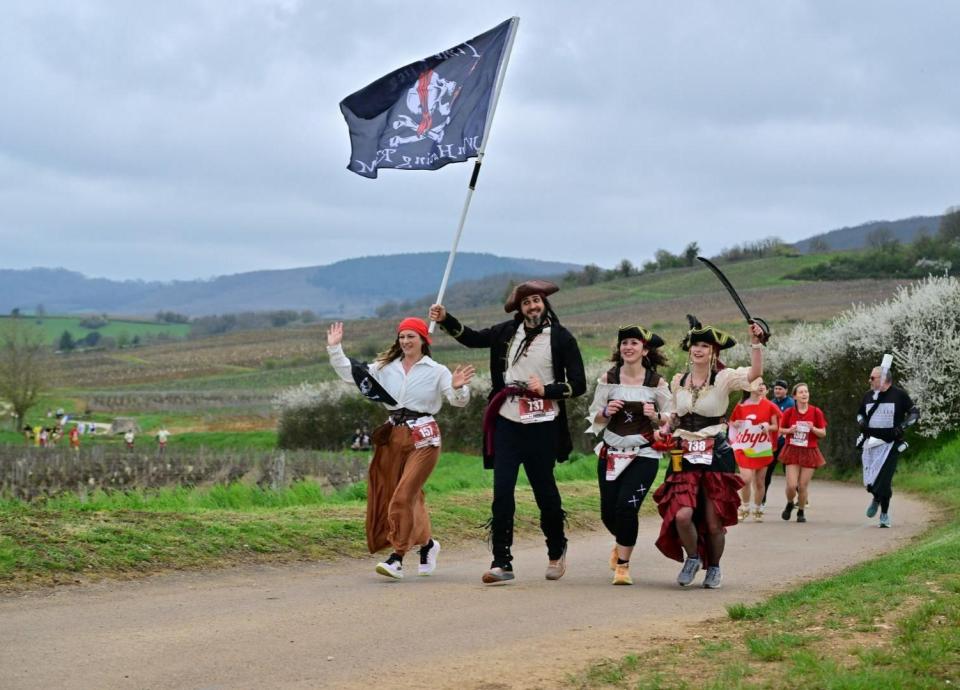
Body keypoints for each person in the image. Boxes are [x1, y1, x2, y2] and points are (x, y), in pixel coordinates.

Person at [429, 279, 586, 584]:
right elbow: (472, 339)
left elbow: (578, 384)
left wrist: (549, 389)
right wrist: (445, 318)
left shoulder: (562, 338)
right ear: (520, 308)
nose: (532, 307)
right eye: (526, 303)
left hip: (543, 424)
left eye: (536, 301)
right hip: (506, 420)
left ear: (545, 303)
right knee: (502, 492)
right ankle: (502, 561)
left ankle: (556, 549)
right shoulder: (505, 333)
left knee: (546, 493)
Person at [327, 317, 474, 579]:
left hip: (424, 438)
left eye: (411, 337)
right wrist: (335, 349)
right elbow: (353, 375)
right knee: (407, 496)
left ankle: (397, 557)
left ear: (423, 340)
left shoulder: (437, 371)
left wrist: (459, 388)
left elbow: (458, 401)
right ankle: (428, 545)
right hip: (393, 435)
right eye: (402, 337)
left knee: (403, 495)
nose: (405, 341)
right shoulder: (386, 368)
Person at [653, 315, 765, 590]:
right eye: (695, 345)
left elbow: (753, 374)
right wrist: (662, 422)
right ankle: (692, 558)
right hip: (684, 451)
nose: (698, 349)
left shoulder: (724, 378)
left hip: (715, 452)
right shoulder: (679, 379)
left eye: (705, 345)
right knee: (682, 514)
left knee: (714, 522)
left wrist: (756, 343)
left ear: (714, 352)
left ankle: (714, 567)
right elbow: (675, 416)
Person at [586, 324, 671, 585]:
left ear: (645, 350)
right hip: (611, 452)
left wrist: (656, 417)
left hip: (644, 454)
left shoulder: (656, 382)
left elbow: (671, 418)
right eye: (624, 343)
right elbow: (594, 415)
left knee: (626, 508)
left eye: (634, 343)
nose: (628, 347)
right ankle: (622, 542)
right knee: (608, 513)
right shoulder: (608, 378)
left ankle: (623, 566)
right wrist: (606, 411)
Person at [858, 366, 919, 528]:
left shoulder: (899, 395)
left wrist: (904, 426)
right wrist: (861, 422)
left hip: (890, 444)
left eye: (872, 378)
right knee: (870, 483)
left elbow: (914, 413)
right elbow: (860, 414)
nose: (869, 381)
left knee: (884, 481)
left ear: (883, 379)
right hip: (871, 444)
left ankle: (884, 514)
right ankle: (876, 497)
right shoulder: (868, 396)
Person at [728, 381, 780, 522]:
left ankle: (757, 508)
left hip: (761, 447)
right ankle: (744, 507)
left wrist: (768, 427)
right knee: (746, 479)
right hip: (743, 447)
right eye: (757, 384)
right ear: (749, 387)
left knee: (759, 481)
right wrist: (735, 423)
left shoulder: (769, 406)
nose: (761, 386)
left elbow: (776, 427)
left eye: (763, 384)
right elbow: (731, 423)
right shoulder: (739, 407)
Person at [778, 383, 827, 523]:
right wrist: (790, 431)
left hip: (809, 450)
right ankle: (789, 503)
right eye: (801, 392)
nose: (804, 394)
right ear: (795, 396)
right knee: (792, 485)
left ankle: (801, 511)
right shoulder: (789, 412)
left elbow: (823, 433)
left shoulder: (816, 411)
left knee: (802, 486)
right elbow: (780, 430)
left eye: (806, 392)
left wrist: (813, 429)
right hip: (792, 449)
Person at [762, 379, 795, 505]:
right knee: (768, 469)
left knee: (789, 470)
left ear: (786, 390)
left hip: (787, 441)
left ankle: (798, 495)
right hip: (774, 441)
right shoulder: (771, 403)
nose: (777, 391)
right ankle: (762, 499)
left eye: (780, 389)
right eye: (776, 389)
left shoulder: (791, 403)